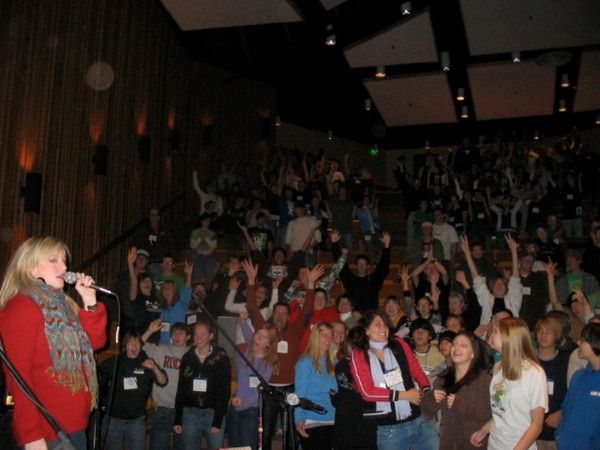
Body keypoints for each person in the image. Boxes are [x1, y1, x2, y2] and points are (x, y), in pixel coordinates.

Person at [0, 236, 107, 450]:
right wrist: (31, 436)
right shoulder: (22, 307)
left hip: (75, 426)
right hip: (48, 431)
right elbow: (19, 378)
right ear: (31, 268)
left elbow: (94, 343)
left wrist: (90, 301)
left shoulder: (64, 306)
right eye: (53, 260)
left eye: (64, 261)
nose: (64, 267)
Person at [350, 311, 437, 450]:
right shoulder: (359, 354)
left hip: (420, 420)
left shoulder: (398, 344)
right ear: (366, 330)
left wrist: (426, 390)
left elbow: (416, 369)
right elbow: (367, 392)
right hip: (390, 430)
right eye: (378, 325)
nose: (383, 328)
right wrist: (405, 395)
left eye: (385, 325)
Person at [470, 318, 548, 450]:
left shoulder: (534, 373)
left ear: (509, 337)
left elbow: (536, 425)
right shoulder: (498, 368)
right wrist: (484, 430)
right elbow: (502, 411)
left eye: (496, 331)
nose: (491, 334)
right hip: (495, 444)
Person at [422, 332, 492, 450]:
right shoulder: (443, 378)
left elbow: (489, 415)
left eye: (463, 345)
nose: (456, 348)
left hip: (473, 443)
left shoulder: (483, 380)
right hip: (447, 442)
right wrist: (431, 399)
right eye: (454, 344)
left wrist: (460, 405)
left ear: (473, 353)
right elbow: (427, 413)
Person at [99, 331, 167, 450]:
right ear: (125, 345)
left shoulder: (146, 362)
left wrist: (155, 368)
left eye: (137, 342)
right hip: (114, 419)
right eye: (130, 342)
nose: (134, 345)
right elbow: (98, 375)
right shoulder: (116, 361)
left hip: (136, 420)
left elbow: (163, 381)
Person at [174, 320, 231, 450]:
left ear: (211, 335)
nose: (198, 337)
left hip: (213, 413)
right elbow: (181, 388)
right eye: (196, 334)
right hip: (190, 414)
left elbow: (225, 390)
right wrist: (178, 418)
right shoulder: (187, 357)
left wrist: (218, 419)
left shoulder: (221, 357)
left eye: (203, 334)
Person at [228, 320, 278, 450]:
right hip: (236, 405)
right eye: (257, 334)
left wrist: (242, 402)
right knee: (234, 446)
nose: (258, 337)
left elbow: (258, 391)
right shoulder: (248, 352)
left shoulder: (268, 363)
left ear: (268, 343)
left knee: (247, 446)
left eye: (263, 336)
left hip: (251, 410)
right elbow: (248, 334)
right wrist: (243, 322)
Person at [141, 320, 191, 450]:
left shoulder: (193, 354)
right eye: (174, 333)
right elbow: (138, 346)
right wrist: (150, 331)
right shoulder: (162, 350)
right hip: (163, 409)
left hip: (184, 411)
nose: (177, 336)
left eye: (181, 333)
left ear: (188, 337)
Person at [555, 322, 600, 449]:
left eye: (583, 340)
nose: (578, 342)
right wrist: (559, 435)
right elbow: (566, 410)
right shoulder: (578, 376)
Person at [460, 234, 523, 325]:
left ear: (506, 288)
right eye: (496, 284)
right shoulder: (486, 299)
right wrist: (467, 253)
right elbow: (476, 278)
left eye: (502, 283)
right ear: (491, 288)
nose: (499, 285)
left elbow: (515, 279)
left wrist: (514, 250)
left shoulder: (513, 298)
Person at [294, 322, 338, 450]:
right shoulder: (306, 362)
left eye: (330, 336)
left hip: (332, 419)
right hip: (312, 419)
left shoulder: (334, 362)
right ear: (315, 337)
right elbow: (300, 395)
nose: (328, 339)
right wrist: (299, 419)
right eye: (324, 335)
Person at [331, 328, 377, 449]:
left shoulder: (371, 364)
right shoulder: (343, 365)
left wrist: (336, 398)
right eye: (353, 341)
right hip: (348, 420)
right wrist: (336, 397)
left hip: (365, 419)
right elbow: (350, 391)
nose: (356, 345)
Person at [332, 232, 391, 312]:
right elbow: (341, 266)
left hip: (371, 314)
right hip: (353, 314)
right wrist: (335, 244)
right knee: (348, 321)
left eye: (364, 264)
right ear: (356, 266)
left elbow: (383, 266)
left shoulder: (374, 279)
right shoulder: (350, 279)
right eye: (359, 264)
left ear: (368, 266)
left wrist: (387, 246)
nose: (361, 266)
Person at [534, 317, 569, 449]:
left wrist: (562, 412)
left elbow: (573, 394)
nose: (543, 335)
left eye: (548, 332)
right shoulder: (528, 359)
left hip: (557, 431)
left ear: (557, 335)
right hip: (530, 430)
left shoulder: (566, 361)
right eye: (540, 331)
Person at [158, 261, 192, 344]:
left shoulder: (181, 303)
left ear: (175, 291)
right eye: (164, 288)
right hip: (163, 345)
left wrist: (189, 274)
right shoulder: (163, 309)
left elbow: (187, 289)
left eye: (169, 288)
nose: (166, 290)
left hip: (176, 344)